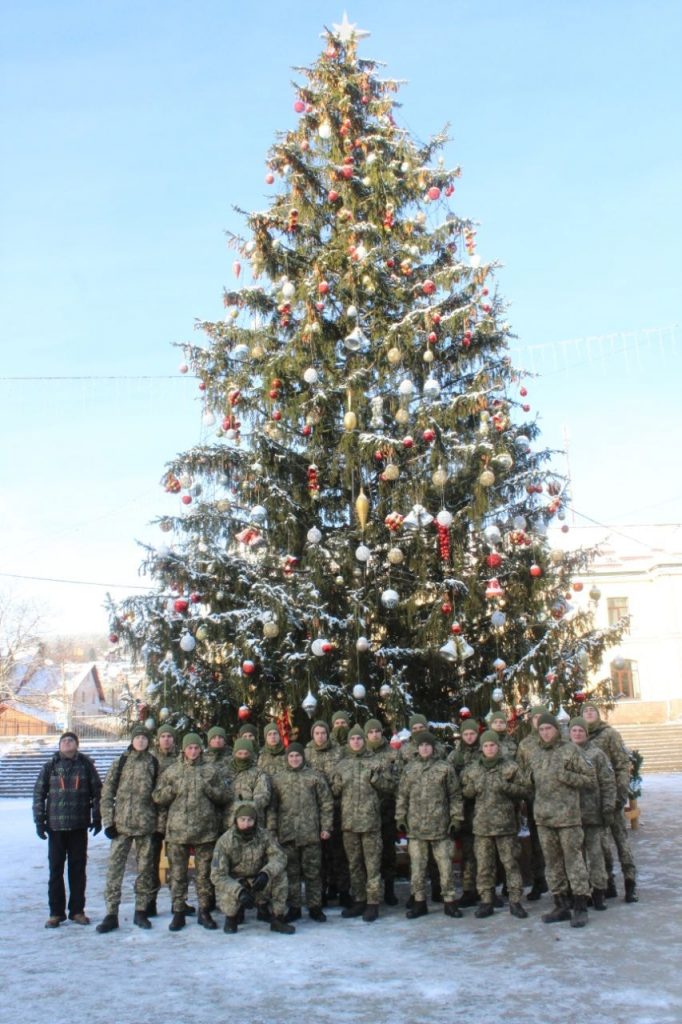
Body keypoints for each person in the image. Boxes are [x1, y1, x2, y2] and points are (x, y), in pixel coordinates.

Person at [152, 732, 230, 931]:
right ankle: (178, 912)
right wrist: (173, 790)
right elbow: (158, 796)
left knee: (204, 875)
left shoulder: (211, 771)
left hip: (206, 831)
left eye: (196, 748)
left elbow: (225, 796)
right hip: (178, 831)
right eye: (190, 748)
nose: (193, 751)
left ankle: (204, 911)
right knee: (178, 874)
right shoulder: (173, 771)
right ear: (184, 750)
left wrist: (210, 790)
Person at [525, 712, 595, 928]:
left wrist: (568, 777)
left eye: (549, 728)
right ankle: (561, 905)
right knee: (553, 864)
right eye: (542, 729)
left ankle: (580, 906)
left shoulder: (570, 750)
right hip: (544, 819)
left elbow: (590, 779)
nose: (545, 733)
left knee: (574, 862)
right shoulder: (536, 754)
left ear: (557, 729)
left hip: (568, 818)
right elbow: (529, 781)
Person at [33, 731, 102, 928]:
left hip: (79, 827)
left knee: (78, 870)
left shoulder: (86, 765)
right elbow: (39, 793)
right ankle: (56, 913)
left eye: (71, 740)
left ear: (77, 745)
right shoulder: (51, 766)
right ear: (59, 745)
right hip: (56, 827)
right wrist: (39, 820)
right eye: (64, 741)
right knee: (56, 871)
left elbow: (98, 793)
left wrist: (97, 817)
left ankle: (77, 911)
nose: (67, 743)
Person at [96, 725, 159, 933]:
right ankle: (111, 913)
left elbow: (159, 797)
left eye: (144, 738)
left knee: (145, 871)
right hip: (121, 826)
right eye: (137, 737)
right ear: (132, 740)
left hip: (145, 826)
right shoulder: (121, 762)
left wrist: (158, 824)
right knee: (115, 870)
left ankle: (140, 911)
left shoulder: (153, 763)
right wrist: (108, 821)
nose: (141, 741)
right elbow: (107, 793)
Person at [396, 731, 464, 920]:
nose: (425, 748)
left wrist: (456, 819)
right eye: (421, 745)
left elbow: (455, 795)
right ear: (417, 748)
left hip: (441, 828)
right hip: (416, 829)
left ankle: (449, 901)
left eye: (428, 745)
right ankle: (419, 902)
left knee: (445, 867)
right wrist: (400, 817)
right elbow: (402, 795)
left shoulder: (445, 768)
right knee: (417, 868)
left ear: (433, 747)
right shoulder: (410, 769)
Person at [460, 730, 529, 919]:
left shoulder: (510, 767)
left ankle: (515, 901)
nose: (489, 749)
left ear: (498, 747)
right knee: (484, 866)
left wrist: (506, 787)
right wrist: (472, 789)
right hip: (482, 826)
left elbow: (525, 790)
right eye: (486, 746)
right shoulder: (473, 769)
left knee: (510, 864)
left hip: (505, 826)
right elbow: (464, 793)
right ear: (482, 748)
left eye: (492, 745)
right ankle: (486, 901)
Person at [331, 724, 392, 922]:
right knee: (354, 864)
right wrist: (337, 785)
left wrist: (377, 780)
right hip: (349, 823)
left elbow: (390, 786)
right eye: (352, 739)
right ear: (348, 742)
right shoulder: (342, 764)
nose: (356, 742)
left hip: (370, 823)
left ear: (364, 741)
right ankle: (359, 900)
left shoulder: (375, 762)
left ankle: (373, 903)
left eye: (359, 738)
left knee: (372, 864)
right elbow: (333, 792)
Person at [269, 742, 333, 922]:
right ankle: (294, 907)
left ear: (303, 757)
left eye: (297, 755)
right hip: (287, 834)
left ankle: (315, 906)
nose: (295, 759)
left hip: (311, 833)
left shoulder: (314, 777)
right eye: (291, 756)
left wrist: (326, 827)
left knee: (313, 872)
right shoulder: (278, 779)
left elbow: (326, 803)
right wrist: (273, 830)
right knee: (292, 873)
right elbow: (272, 807)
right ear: (287, 758)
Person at [582, 701, 638, 902]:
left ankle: (630, 884)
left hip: (612, 797)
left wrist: (620, 794)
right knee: (602, 845)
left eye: (592, 710)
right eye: (585, 711)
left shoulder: (610, 734)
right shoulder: (579, 736)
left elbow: (622, 765)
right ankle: (608, 883)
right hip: (594, 802)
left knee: (621, 842)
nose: (589, 713)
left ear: (598, 714)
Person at [210, 801, 294, 935]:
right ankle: (231, 918)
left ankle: (277, 919)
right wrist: (238, 891)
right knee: (227, 894)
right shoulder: (225, 841)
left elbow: (280, 857)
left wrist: (266, 874)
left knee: (280, 876)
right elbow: (217, 875)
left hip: (258, 880)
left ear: (255, 821)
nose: (246, 824)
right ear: (236, 820)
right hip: (236, 882)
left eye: (250, 820)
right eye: (242, 820)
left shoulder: (264, 835)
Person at [568, 716, 617, 910]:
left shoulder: (597, 755)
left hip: (593, 813)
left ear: (586, 734)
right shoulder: (564, 754)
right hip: (570, 816)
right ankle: (580, 892)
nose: (578, 734)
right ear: (569, 733)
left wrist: (607, 807)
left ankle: (599, 891)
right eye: (574, 731)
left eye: (581, 731)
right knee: (576, 857)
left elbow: (608, 782)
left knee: (596, 855)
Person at [305, 718, 350, 907]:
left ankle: (342, 890)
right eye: (317, 733)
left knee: (338, 851)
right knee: (319, 854)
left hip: (337, 807)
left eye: (323, 733)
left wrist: (334, 790)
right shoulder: (306, 753)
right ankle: (321, 890)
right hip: (314, 810)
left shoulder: (338, 751)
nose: (320, 736)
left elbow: (343, 776)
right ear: (313, 735)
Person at [147, 724, 187, 918]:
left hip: (176, 818)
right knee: (150, 862)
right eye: (163, 736)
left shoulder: (181, 759)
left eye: (170, 736)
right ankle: (150, 902)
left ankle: (178, 902)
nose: (166, 740)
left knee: (177, 863)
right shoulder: (151, 759)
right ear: (158, 739)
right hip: (153, 819)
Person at [515, 705, 549, 901]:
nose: (538, 720)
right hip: (534, 801)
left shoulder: (559, 741)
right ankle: (539, 880)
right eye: (535, 717)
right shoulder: (525, 744)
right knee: (536, 844)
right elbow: (520, 771)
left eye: (541, 717)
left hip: (557, 803)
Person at [364, 718, 400, 906]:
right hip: (366, 812)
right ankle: (368, 892)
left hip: (387, 810)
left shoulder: (393, 755)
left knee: (388, 852)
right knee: (369, 855)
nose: (374, 735)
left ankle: (390, 889)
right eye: (370, 732)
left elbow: (397, 781)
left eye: (377, 731)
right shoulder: (362, 754)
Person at [447, 718, 481, 907]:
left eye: (472, 734)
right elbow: (450, 783)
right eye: (466, 734)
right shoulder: (454, 756)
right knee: (468, 852)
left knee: (485, 853)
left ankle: (487, 889)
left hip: (484, 810)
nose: (469, 737)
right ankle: (468, 890)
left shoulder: (484, 751)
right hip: (464, 810)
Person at [223, 738, 271, 827]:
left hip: (252, 821)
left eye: (246, 753)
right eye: (239, 753)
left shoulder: (259, 773)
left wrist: (245, 808)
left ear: (251, 754)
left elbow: (263, 797)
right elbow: (221, 796)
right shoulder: (224, 772)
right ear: (234, 753)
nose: (243, 757)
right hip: (229, 822)